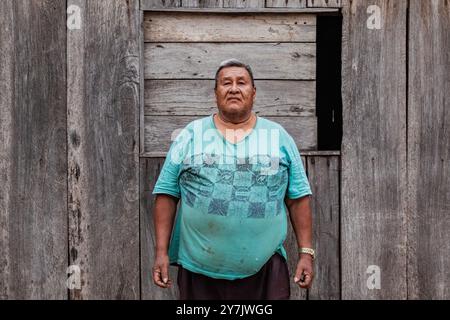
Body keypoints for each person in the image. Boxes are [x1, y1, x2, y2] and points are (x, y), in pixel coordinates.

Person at [151, 59, 314, 300]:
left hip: (266, 268)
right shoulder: (190, 135)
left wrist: (306, 252)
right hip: (199, 269)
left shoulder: (278, 136)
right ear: (216, 92)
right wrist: (161, 252)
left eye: (242, 82)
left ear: (254, 92)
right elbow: (167, 194)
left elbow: (298, 199)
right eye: (226, 83)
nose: (234, 88)